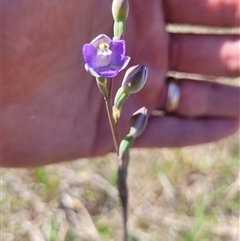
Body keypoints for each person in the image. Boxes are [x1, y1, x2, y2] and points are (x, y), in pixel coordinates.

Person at [2, 0, 239, 167]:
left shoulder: (117, 58)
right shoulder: (96, 61)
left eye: (105, 47)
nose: (103, 48)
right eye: (100, 47)